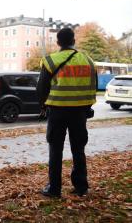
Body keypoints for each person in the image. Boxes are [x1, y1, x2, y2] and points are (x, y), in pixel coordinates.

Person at [37, 27, 97, 198]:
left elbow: (41, 89)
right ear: (74, 41)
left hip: (57, 111)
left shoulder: (50, 61)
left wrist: (43, 106)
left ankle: (54, 189)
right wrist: (87, 106)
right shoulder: (88, 60)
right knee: (78, 149)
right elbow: (93, 86)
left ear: (58, 42)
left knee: (55, 149)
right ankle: (81, 187)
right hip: (79, 113)